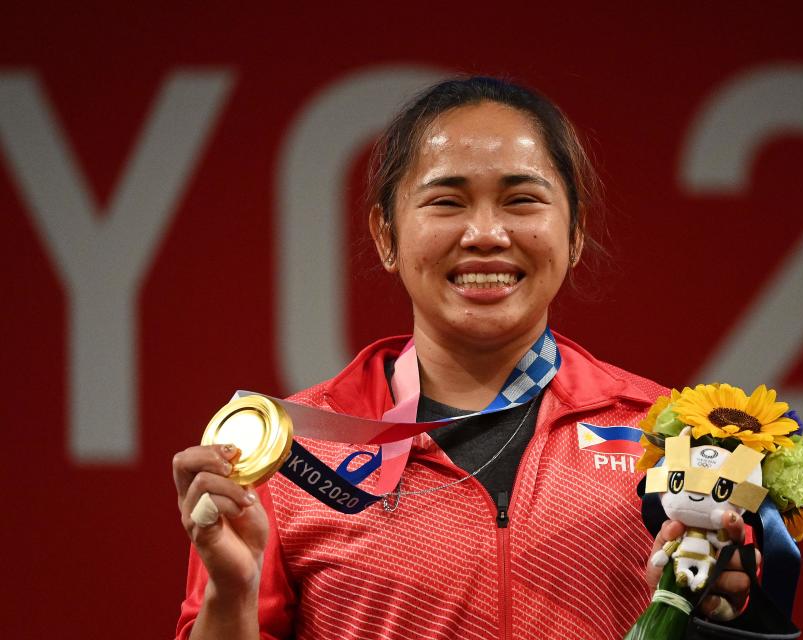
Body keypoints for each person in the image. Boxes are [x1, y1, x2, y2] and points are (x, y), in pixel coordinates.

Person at [173, 76, 757, 640]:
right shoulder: (295, 453)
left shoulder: (668, 434)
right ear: (386, 236)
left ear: (574, 232)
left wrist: (712, 620)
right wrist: (233, 590)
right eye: (447, 201)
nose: (485, 233)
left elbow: (738, 619)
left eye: (522, 200)